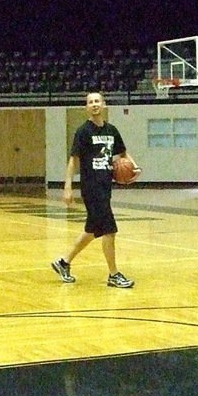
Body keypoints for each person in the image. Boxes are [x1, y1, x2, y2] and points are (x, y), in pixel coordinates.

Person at [51, 90, 139, 288]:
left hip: (105, 185)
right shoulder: (83, 132)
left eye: (97, 101)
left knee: (92, 230)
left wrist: (134, 167)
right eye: (90, 102)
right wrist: (67, 186)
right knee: (110, 230)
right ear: (86, 108)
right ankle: (114, 275)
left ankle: (63, 262)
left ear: (104, 104)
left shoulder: (112, 130)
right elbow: (74, 160)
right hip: (91, 187)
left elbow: (123, 153)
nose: (94, 104)